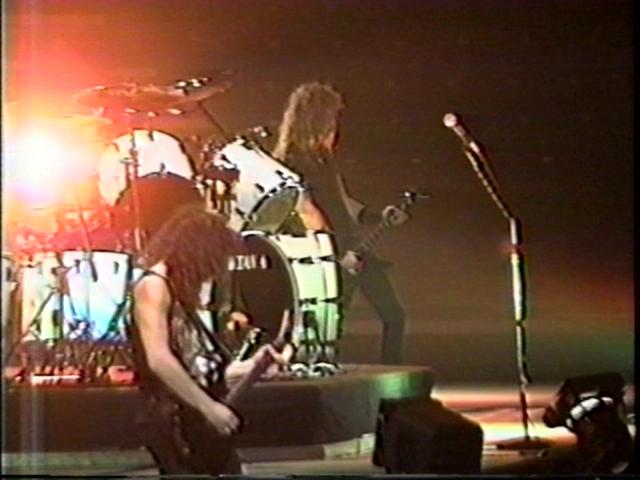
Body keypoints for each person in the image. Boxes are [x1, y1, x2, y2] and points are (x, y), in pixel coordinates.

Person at [127, 204, 286, 475]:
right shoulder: (154, 286)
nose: (217, 271)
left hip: (197, 418)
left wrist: (252, 367)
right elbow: (159, 359)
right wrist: (208, 407)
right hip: (173, 420)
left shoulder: (183, 291)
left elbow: (197, 367)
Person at [273, 81, 409, 365]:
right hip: (329, 257)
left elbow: (342, 202)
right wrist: (335, 256)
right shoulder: (290, 164)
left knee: (394, 316)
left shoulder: (324, 160)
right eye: (332, 120)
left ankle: (394, 382)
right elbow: (302, 216)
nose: (336, 129)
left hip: (354, 248)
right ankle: (321, 375)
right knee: (331, 328)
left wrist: (377, 216)